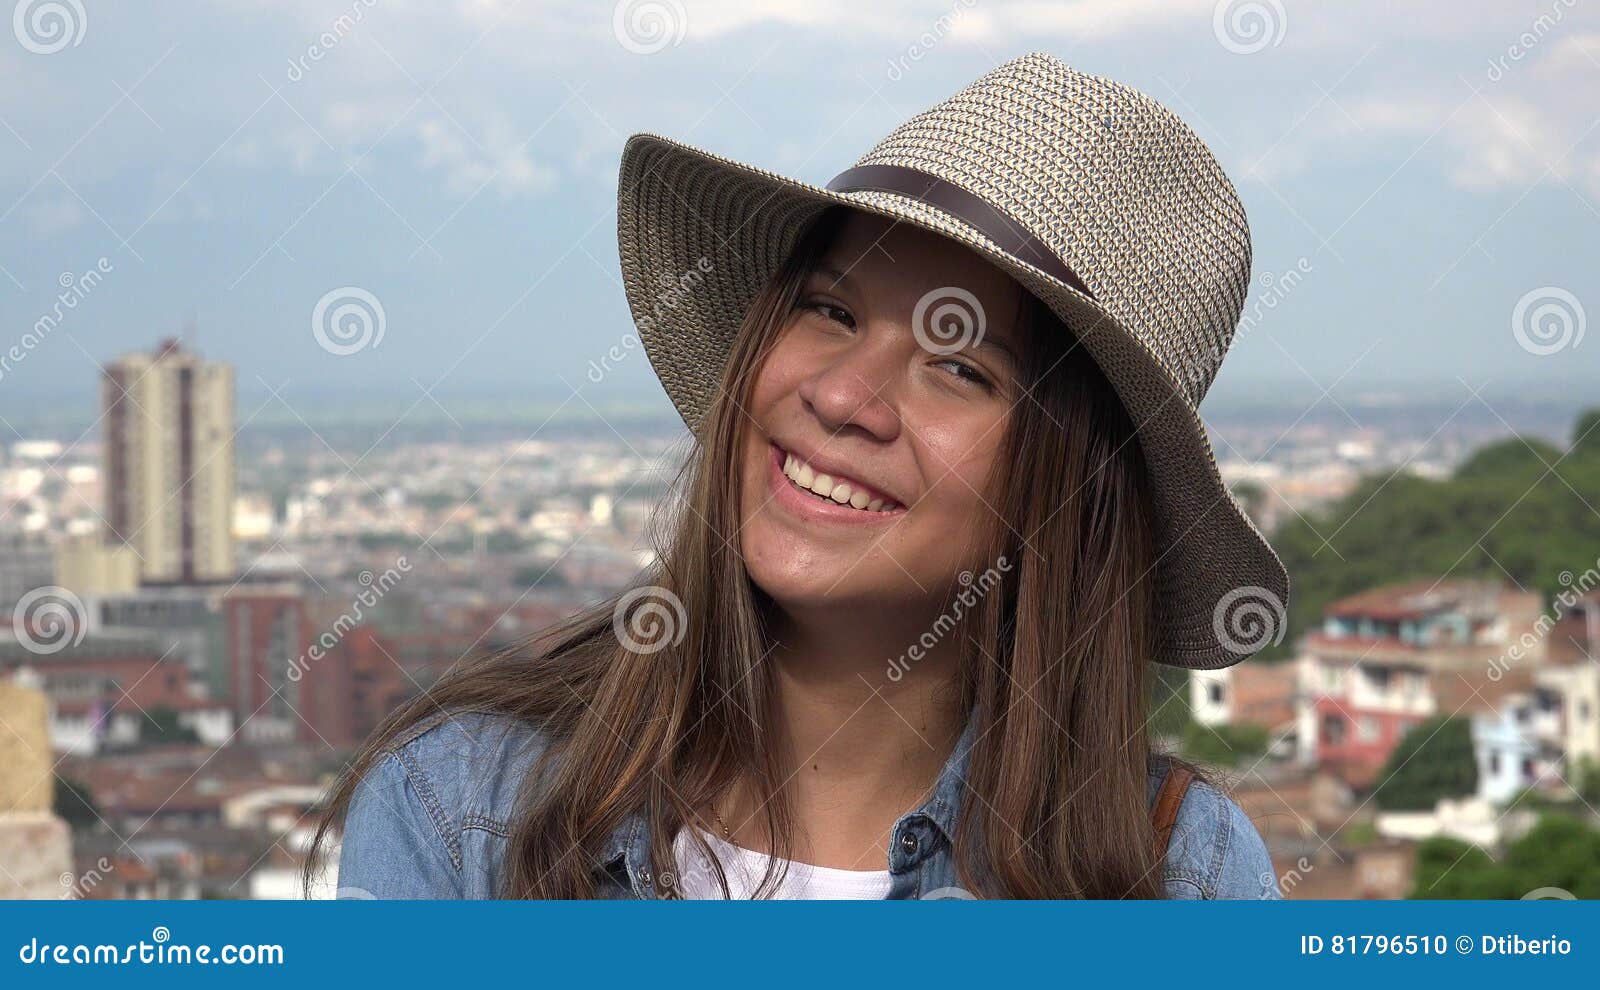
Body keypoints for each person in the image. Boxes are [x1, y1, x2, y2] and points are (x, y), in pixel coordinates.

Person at [317, 52, 1288, 900]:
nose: (843, 397)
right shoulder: (465, 809)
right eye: (830, 310)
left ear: (1075, 495)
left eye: (960, 368)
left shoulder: (1179, 877)